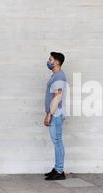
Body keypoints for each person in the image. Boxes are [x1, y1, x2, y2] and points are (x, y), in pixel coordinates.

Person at [43, 52, 67, 181]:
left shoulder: (59, 77)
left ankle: (59, 170)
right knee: (56, 141)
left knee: (57, 142)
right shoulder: (55, 76)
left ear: (57, 62)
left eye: (50, 59)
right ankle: (57, 168)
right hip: (54, 114)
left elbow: (57, 97)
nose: (48, 61)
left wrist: (50, 114)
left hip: (56, 114)